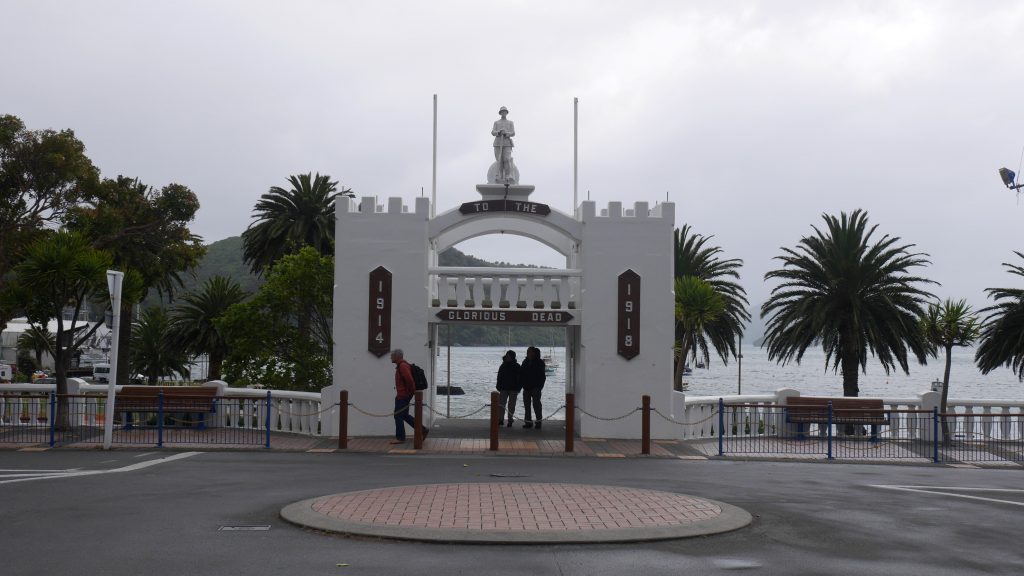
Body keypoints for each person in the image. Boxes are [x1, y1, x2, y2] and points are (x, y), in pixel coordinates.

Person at [389, 349, 428, 444]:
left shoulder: (402, 366)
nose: (391, 357)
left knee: (398, 415)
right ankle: (422, 429)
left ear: (397, 356)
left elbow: (410, 381)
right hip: (404, 395)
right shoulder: (402, 365)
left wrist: (411, 393)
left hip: (403, 396)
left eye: (392, 355)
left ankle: (400, 438)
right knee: (404, 415)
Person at [520, 346, 547, 429]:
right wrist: (523, 384)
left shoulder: (539, 362)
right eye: (527, 351)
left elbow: (542, 376)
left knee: (537, 405)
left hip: (536, 387)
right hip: (526, 387)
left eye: (529, 351)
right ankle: (528, 422)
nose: (527, 353)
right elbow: (521, 374)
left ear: (534, 353)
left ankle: (538, 422)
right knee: (527, 406)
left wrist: (539, 387)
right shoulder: (525, 362)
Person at [496, 349, 521, 427]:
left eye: (508, 356)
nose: (507, 357)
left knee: (511, 405)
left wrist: (518, 387)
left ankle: (510, 419)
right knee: (501, 404)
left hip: (513, 388)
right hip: (504, 388)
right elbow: (499, 376)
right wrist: (498, 386)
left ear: (512, 357)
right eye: (507, 356)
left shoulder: (516, 366)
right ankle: (501, 419)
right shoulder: (503, 365)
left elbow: (520, 378)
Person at [491, 106, 516, 184]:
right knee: (499, 160)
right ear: (500, 113)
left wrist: (506, 133)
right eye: (502, 111)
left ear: (506, 112)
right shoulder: (496, 123)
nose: (503, 113)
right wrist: (498, 132)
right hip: (498, 144)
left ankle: (508, 175)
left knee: (507, 159)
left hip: (507, 143)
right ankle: (500, 176)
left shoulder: (510, 123)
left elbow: (513, 133)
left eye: (505, 111)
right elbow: (493, 132)